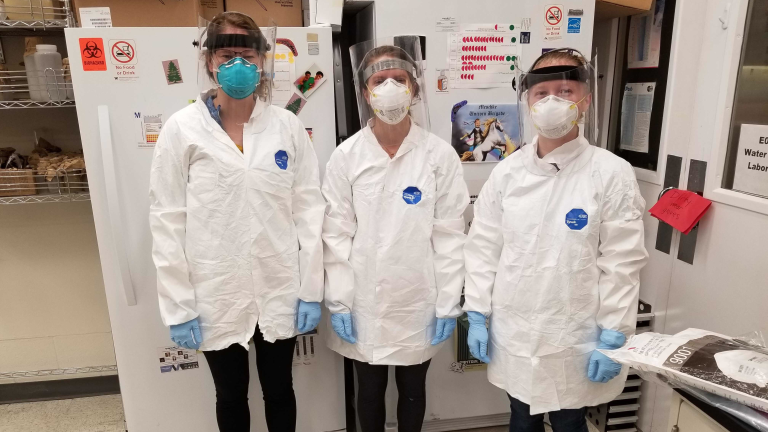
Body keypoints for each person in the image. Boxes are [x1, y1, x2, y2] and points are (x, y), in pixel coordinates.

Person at [148, 12, 325, 432]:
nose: (238, 64)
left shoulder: (287, 127)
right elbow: (166, 218)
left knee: (280, 389)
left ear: (262, 60)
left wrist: (311, 289)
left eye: (247, 54)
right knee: (229, 395)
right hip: (215, 291)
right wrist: (178, 303)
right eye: (227, 55)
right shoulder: (183, 129)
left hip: (279, 284)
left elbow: (309, 211)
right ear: (209, 60)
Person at [463, 48, 649, 432]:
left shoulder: (611, 174)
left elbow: (622, 262)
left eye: (564, 91)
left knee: (569, 419)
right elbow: (483, 248)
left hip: (574, 334)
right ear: (527, 101)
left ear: (585, 99)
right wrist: (477, 313)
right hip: (515, 329)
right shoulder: (506, 174)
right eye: (540, 92)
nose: (551, 102)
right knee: (520, 416)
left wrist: (615, 332)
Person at [322, 36, 469, 432]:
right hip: (363, 301)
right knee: (367, 392)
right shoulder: (347, 156)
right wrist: (338, 301)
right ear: (366, 92)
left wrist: (448, 301)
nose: (389, 88)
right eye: (379, 80)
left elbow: (451, 234)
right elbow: (335, 235)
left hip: (418, 298)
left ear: (414, 88)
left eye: (399, 78)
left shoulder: (438, 156)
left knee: (412, 390)